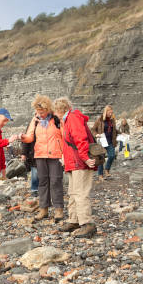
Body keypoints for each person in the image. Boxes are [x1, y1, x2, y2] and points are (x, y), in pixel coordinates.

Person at [53, 97, 96, 237]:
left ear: (59, 110)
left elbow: (80, 139)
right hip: (73, 162)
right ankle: (74, 220)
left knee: (80, 193)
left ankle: (87, 224)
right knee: (73, 192)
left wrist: (85, 158)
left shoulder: (73, 118)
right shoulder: (67, 119)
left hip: (79, 162)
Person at [20, 95, 64, 221]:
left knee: (56, 181)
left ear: (48, 109)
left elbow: (64, 135)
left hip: (55, 155)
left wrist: (65, 154)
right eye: (38, 112)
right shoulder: (35, 120)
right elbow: (30, 137)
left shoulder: (56, 119)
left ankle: (58, 209)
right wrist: (22, 137)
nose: (40, 114)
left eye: (42, 112)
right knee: (42, 182)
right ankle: (43, 209)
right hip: (40, 155)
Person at [91, 105, 117, 180]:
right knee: (101, 158)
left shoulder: (112, 120)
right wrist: (96, 135)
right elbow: (93, 129)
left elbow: (114, 130)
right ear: (106, 112)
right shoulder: (99, 120)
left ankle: (107, 169)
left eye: (112, 112)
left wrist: (122, 133)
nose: (111, 114)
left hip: (110, 142)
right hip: (102, 142)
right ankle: (100, 175)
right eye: (109, 112)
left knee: (112, 156)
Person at [20, 123, 38, 197]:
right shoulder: (32, 125)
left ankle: (41, 189)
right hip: (33, 154)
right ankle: (34, 189)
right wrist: (24, 153)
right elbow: (25, 141)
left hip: (40, 152)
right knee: (35, 172)